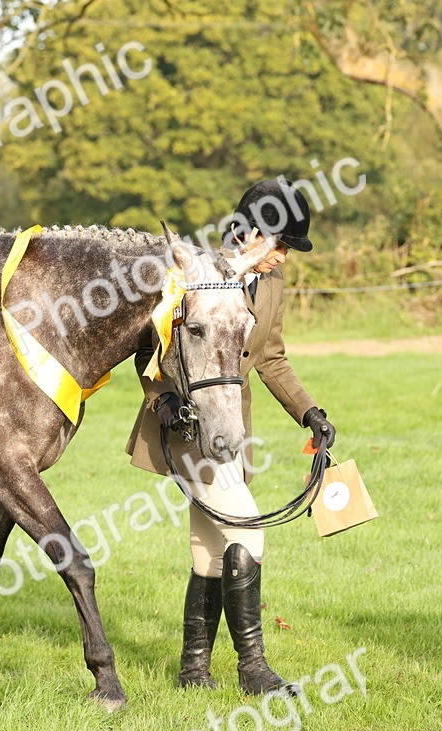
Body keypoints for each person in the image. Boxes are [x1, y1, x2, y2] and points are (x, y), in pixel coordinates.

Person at [125, 178, 335, 694]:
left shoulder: (272, 286)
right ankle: (253, 667)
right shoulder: (191, 273)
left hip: (232, 430)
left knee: (209, 548)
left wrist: (309, 413)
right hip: (186, 426)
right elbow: (145, 346)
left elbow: (271, 358)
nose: (283, 257)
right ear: (251, 232)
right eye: (280, 243)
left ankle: (194, 668)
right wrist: (162, 398)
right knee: (246, 531)